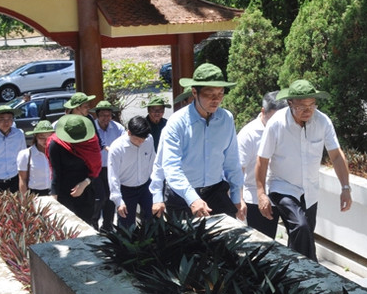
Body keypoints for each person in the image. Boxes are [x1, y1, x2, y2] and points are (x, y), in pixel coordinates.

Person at [255, 79, 352, 261]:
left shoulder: (323, 122)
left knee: (301, 235)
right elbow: (262, 159)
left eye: (312, 105)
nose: (308, 111)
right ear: (290, 103)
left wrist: (345, 188)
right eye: (302, 106)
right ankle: (314, 272)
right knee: (301, 227)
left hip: (310, 191)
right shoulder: (276, 124)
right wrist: (261, 193)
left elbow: (336, 156)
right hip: (282, 187)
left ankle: (291, 277)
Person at [153, 63, 245, 221]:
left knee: (223, 241)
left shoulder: (226, 119)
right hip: (182, 194)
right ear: (194, 92)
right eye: (210, 94)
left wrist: (237, 196)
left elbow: (232, 161)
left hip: (215, 191)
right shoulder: (177, 122)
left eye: (221, 93)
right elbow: (170, 166)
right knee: (186, 244)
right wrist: (190, 198)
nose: (216, 99)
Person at [237, 91, 287, 238]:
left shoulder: (286, 129)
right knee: (261, 244)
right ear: (263, 112)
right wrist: (239, 199)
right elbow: (239, 168)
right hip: (255, 198)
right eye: (273, 118)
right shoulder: (248, 134)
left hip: (281, 193)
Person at [47, 114, 102, 225]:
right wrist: (54, 199)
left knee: (86, 225)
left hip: (86, 189)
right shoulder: (55, 144)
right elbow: (56, 173)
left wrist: (85, 183)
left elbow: (95, 168)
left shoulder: (91, 142)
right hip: (64, 193)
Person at [108, 116, 156, 228]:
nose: (141, 142)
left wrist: (155, 187)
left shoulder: (148, 139)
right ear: (129, 133)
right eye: (138, 139)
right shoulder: (117, 148)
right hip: (126, 190)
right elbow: (113, 176)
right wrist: (118, 200)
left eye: (143, 139)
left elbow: (153, 162)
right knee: (126, 226)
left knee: (152, 220)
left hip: (146, 187)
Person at [93, 100, 125, 231]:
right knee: (99, 198)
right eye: (102, 115)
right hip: (96, 169)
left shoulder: (118, 128)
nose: (106, 118)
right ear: (97, 115)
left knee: (112, 197)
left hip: (113, 168)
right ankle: (93, 221)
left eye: (108, 115)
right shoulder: (92, 128)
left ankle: (107, 225)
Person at [17, 119, 53, 196]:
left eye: (49, 137)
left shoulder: (56, 152)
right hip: (35, 194)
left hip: (54, 193)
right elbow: (22, 179)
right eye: (42, 137)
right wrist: (24, 201)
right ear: (35, 136)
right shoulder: (26, 154)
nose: (45, 140)